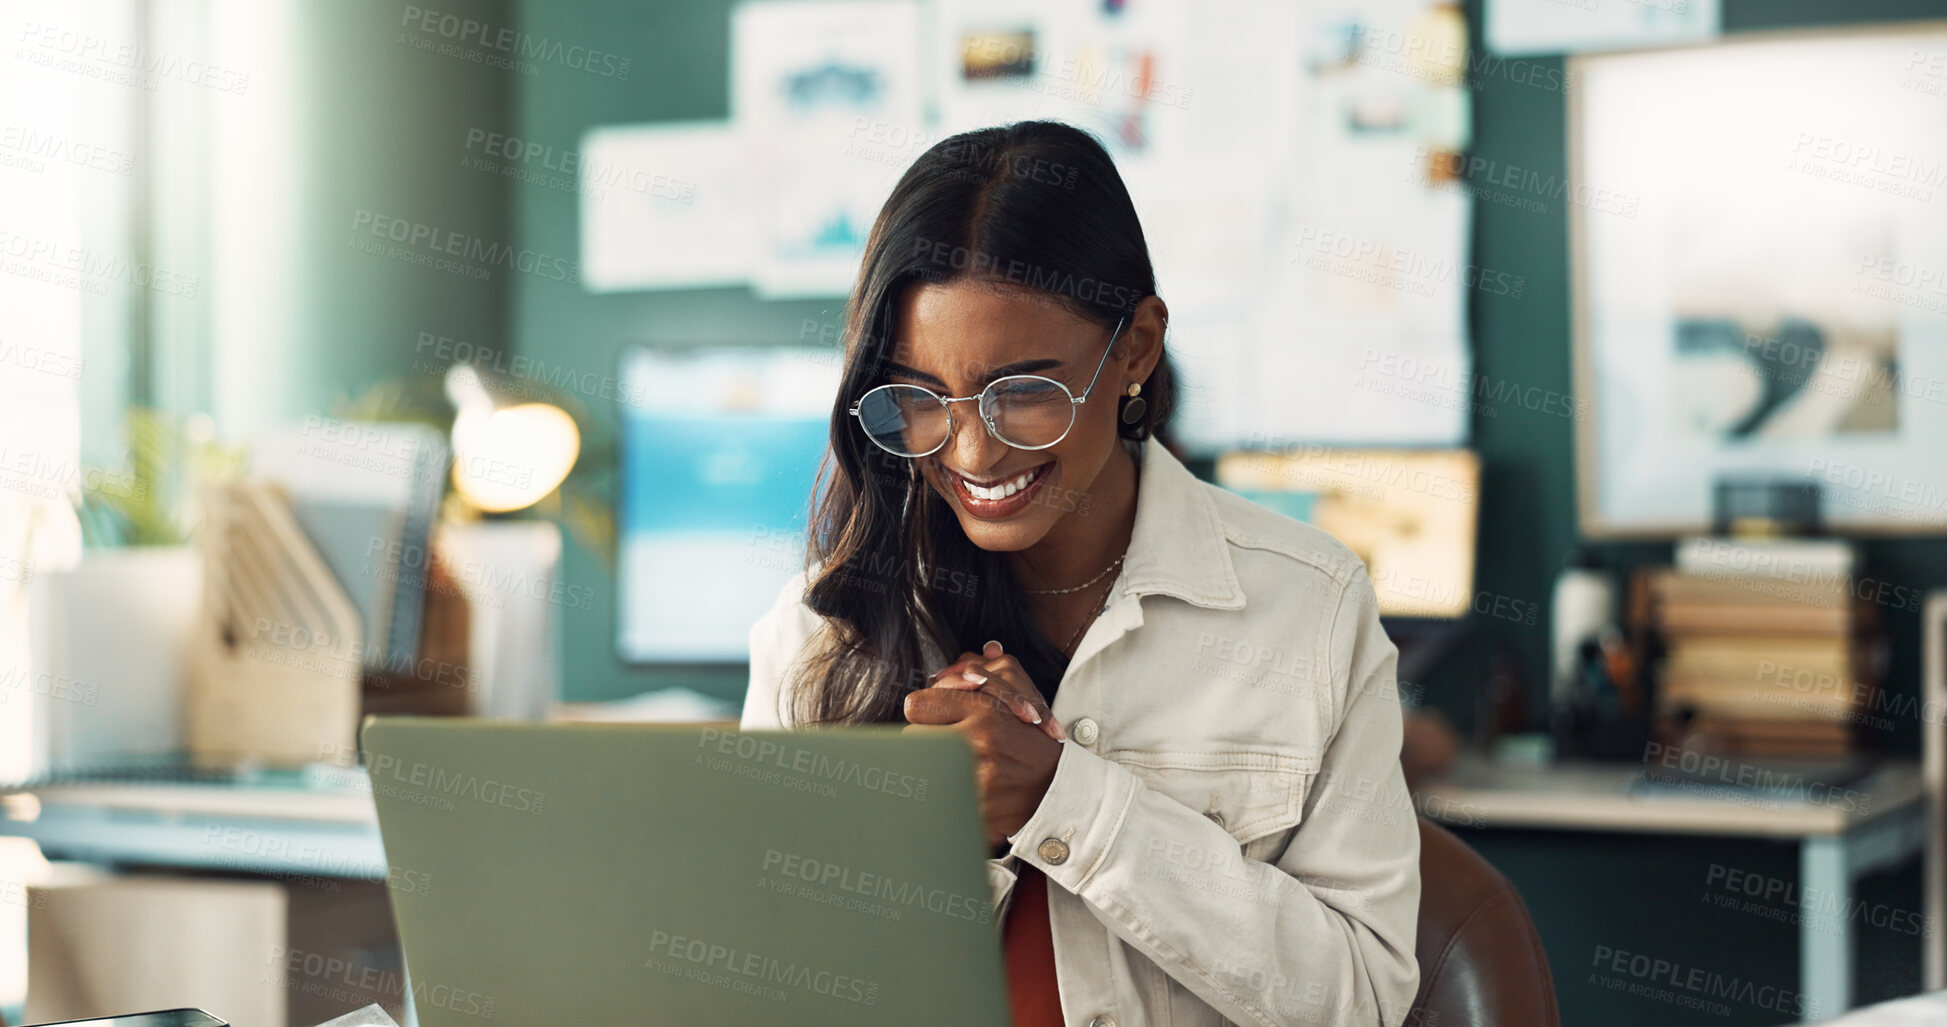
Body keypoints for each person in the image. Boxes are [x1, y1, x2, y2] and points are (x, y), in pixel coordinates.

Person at [743, 120, 1420, 1027]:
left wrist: (1070, 800)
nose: (972, 451)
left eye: (1022, 389)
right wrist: (944, 837)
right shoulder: (822, 631)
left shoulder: (1308, 607)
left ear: (1135, 347)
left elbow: (1362, 1002)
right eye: (919, 396)